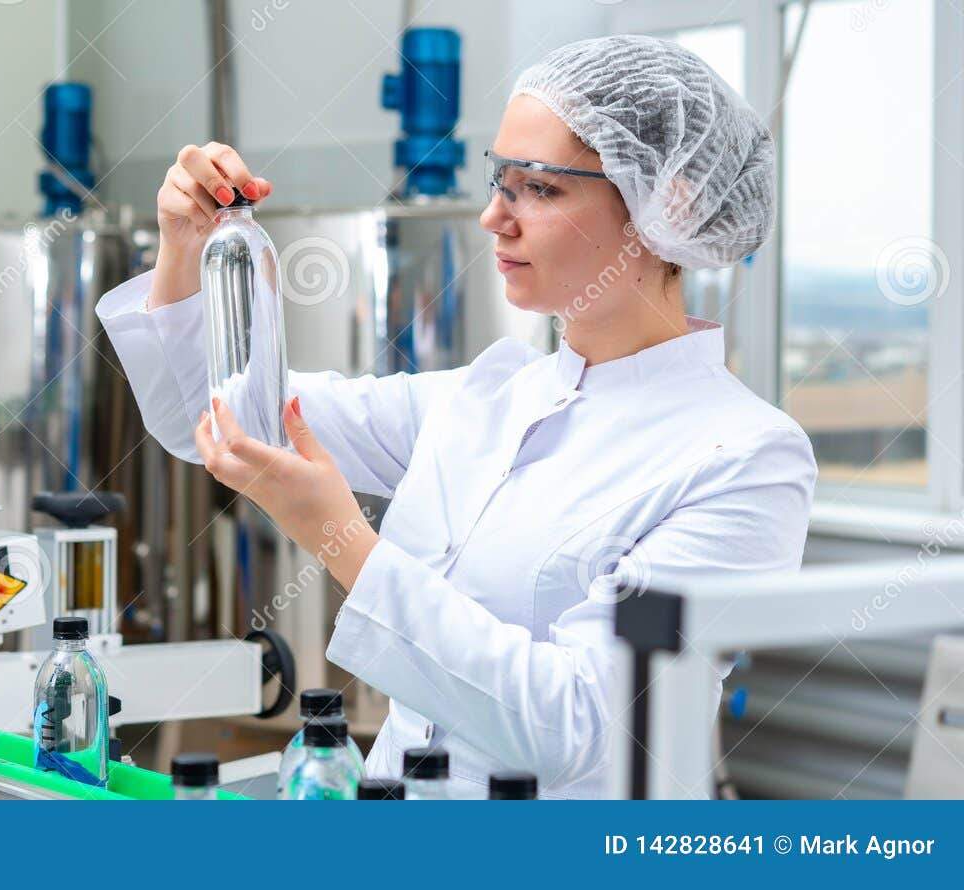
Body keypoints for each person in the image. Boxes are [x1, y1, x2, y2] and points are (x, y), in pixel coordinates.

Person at [95, 35, 816, 798]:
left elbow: (574, 727)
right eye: (497, 179)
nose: (492, 218)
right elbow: (211, 422)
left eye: (538, 188)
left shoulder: (745, 457)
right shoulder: (485, 397)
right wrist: (187, 248)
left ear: (671, 203)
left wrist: (342, 540)